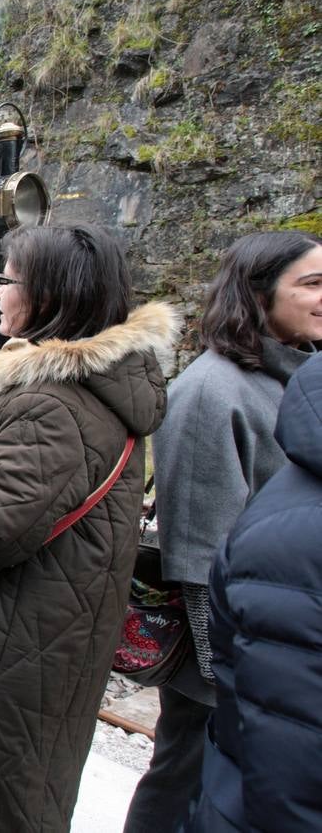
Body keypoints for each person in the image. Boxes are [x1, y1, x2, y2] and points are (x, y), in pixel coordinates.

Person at [0, 223, 179, 832]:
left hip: (14, 646)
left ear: (47, 297)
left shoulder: (47, 401)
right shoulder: (109, 387)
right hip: (61, 631)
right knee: (24, 787)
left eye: (7, 279)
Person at [124, 230, 322, 832]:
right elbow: (197, 549)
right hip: (228, 646)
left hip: (280, 640)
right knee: (187, 777)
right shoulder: (213, 391)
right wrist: (221, 669)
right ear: (258, 294)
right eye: (312, 283)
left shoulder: (296, 374)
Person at [188, 353, 322, 831]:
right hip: (225, 621)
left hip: (240, 624)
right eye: (309, 284)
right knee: (180, 762)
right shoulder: (213, 387)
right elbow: (198, 528)